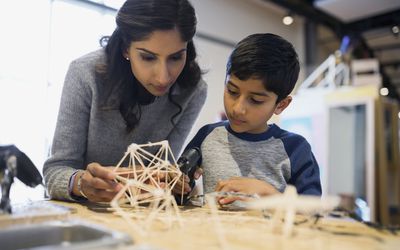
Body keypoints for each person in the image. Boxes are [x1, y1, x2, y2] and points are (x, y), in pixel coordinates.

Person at [43, 0, 207, 202]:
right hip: (81, 214)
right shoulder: (85, 74)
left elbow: (164, 172)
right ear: (125, 49)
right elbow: (55, 172)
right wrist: (80, 183)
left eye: (175, 57)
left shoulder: (193, 91)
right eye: (148, 57)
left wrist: (175, 183)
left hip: (140, 217)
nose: (163, 77)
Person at [180, 33, 321, 205]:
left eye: (256, 100)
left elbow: (312, 211)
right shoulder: (207, 136)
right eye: (232, 91)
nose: (238, 109)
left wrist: (271, 195)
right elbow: (179, 192)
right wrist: (178, 186)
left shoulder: (295, 149)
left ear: (281, 105)